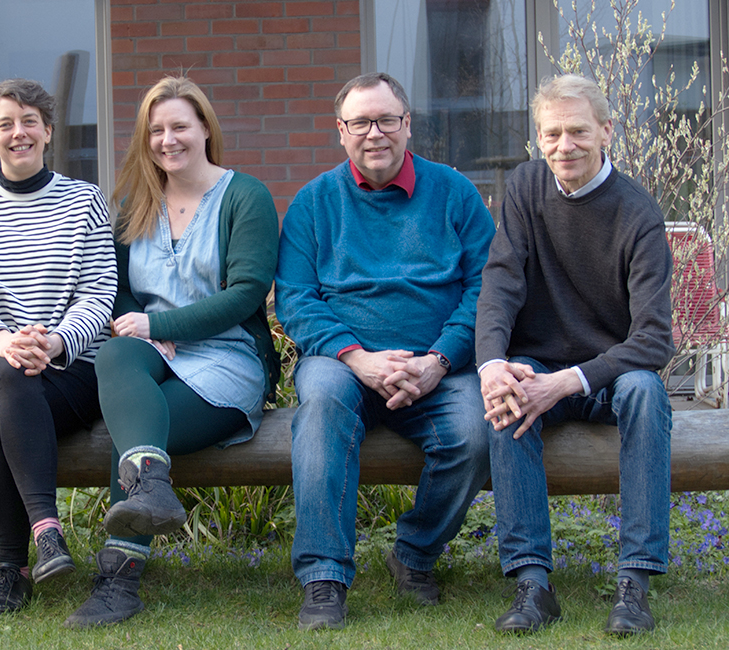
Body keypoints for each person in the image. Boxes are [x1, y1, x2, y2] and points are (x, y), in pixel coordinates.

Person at [275, 72, 495, 630]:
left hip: (437, 368)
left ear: (407, 125)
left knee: (474, 431)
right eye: (360, 122)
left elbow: (485, 291)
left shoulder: (454, 193)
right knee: (321, 407)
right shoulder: (314, 202)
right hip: (343, 366)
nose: (375, 133)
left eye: (387, 120)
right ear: (340, 131)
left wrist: (440, 359)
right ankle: (324, 579)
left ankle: (414, 555)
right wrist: (357, 358)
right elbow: (297, 301)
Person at [64, 76, 280, 628]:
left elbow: (246, 293)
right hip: (150, 352)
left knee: (137, 438)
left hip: (227, 361)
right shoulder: (135, 202)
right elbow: (122, 290)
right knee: (117, 362)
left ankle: (117, 582)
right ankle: (151, 493)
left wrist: (160, 321)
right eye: (155, 129)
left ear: (205, 127)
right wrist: (146, 326)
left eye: (180, 126)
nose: (168, 139)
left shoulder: (244, 196)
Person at [477, 73, 674, 635]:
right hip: (538, 367)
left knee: (645, 388)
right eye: (552, 133)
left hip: (608, 375)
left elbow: (655, 338)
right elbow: (500, 284)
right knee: (507, 396)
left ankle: (633, 586)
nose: (565, 146)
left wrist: (567, 382)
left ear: (606, 131)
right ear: (538, 138)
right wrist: (492, 363)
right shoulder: (525, 188)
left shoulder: (638, 213)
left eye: (579, 131)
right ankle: (532, 584)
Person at [0, 78, 116, 615]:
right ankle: (48, 530)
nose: (18, 133)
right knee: (6, 377)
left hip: (68, 369)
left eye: (29, 122)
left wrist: (58, 341)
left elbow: (99, 290)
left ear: (47, 130)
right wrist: (2, 339)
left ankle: (11, 569)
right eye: (5, 124)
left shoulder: (84, 200)